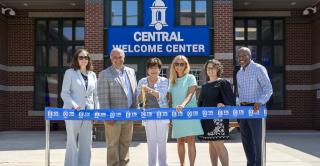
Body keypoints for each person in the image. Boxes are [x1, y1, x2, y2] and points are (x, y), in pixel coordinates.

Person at [97, 48, 137, 166]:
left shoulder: (131, 71)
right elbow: (103, 97)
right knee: (112, 144)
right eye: (115, 58)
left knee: (126, 142)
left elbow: (133, 92)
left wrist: (136, 111)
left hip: (129, 114)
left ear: (124, 58)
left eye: (120, 57)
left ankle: (124, 164)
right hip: (113, 117)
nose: (118, 60)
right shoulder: (104, 74)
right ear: (111, 59)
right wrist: (107, 115)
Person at [61, 49, 100, 166]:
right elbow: (64, 93)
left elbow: (95, 95)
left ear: (89, 60)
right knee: (72, 142)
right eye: (81, 57)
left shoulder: (92, 74)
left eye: (86, 57)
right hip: (73, 112)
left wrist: (96, 112)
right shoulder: (70, 73)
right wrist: (74, 105)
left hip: (88, 113)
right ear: (76, 59)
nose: (84, 60)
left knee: (86, 142)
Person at [236, 47, 273, 166]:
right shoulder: (239, 73)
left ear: (250, 56)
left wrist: (260, 101)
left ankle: (259, 164)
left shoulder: (258, 68)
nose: (241, 58)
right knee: (246, 141)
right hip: (243, 110)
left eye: (244, 55)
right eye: (239, 56)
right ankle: (250, 163)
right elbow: (240, 93)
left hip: (256, 109)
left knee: (258, 141)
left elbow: (268, 89)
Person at [168, 55, 204, 166]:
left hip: (190, 113)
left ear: (186, 65)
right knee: (180, 141)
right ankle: (182, 164)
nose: (179, 66)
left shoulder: (191, 77)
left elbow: (190, 94)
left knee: (191, 140)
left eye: (181, 64)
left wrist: (182, 105)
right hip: (177, 114)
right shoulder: (171, 81)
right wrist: (170, 117)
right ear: (173, 66)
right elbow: (170, 100)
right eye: (176, 64)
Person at [198, 59, 235, 166]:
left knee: (219, 145)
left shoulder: (223, 82)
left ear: (218, 69)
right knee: (211, 143)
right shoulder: (204, 86)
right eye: (208, 68)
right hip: (206, 119)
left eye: (213, 68)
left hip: (218, 120)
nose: (211, 70)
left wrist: (223, 104)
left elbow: (230, 100)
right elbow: (201, 102)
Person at [136, 57, 169, 166]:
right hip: (148, 115)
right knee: (151, 143)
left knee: (162, 143)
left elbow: (161, 95)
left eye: (156, 68)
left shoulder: (164, 80)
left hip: (162, 114)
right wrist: (142, 92)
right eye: (151, 68)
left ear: (159, 70)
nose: (153, 70)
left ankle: (163, 164)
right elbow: (138, 99)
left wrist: (148, 90)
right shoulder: (142, 81)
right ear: (147, 70)